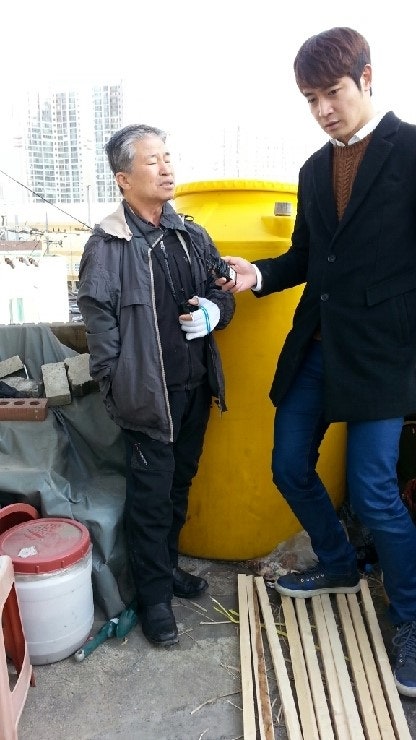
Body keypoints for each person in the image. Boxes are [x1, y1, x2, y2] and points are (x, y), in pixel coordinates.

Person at [217, 27, 416, 696]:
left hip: (383, 356)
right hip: (317, 345)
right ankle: (338, 563)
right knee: (288, 467)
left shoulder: (411, 151)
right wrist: (258, 275)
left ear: (367, 79)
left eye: (332, 92)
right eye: (310, 99)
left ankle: (411, 616)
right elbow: (305, 255)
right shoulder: (311, 169)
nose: (324, 109)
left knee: (374, 491)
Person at [77, 124, 235, 647]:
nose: (166, 168)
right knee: (149, 501)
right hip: (148, 397)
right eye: (152, 160)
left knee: (178, 487)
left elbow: (223, 288)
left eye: (168, 157)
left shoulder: (191, 234)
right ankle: (153, 601)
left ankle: (165, 569)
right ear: (123, 178)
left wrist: (216, 311)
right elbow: (100, 330)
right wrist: (118, 388)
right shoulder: (108, 247)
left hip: (194, 388)